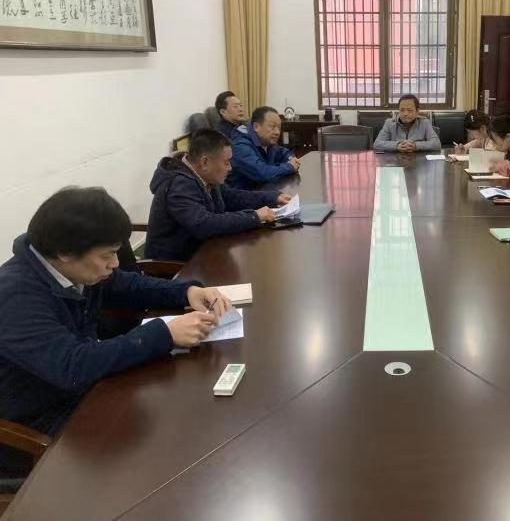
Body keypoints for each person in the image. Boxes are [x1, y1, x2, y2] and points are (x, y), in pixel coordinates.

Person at [0, 187, 232, 462]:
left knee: (183, 412)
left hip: (87, 390)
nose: (115, 263)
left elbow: (126, 285)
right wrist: (164, 333)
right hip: (39, 422)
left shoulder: (70, 268)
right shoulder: (14, 295)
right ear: (65, 252)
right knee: (161, 447)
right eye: (106, 255)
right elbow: (71, 366)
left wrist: (186, 291)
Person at [145, 129, 293, 261]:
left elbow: (231, 197)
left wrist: (272, 197)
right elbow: (204, 224)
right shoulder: (179, 185)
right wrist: (254, 216)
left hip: (204, 251)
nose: (230, 168)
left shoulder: (203, 175)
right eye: (226, 162)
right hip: (175, 267)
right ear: (205, 162)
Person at [228, 106, 301, 189]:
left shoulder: (266, 140)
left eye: (279, 128)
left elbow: (282, 152)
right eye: (272, 126)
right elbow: (261, 173)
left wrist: (291, 159)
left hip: (265, 191)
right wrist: (289, 167)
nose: (277, 132)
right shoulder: (240, 146)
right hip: (246, 194)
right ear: (256, 126)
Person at [373, 94, 442, 152]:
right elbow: (377, 144)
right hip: (395, 161)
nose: (405, 114)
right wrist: (397, 146)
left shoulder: (425, 123)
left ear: (417, 111)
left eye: (409, 110)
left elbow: (436, 144)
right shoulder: (389, 123)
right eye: (402, 110)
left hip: (418, 161)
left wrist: (416, 146)